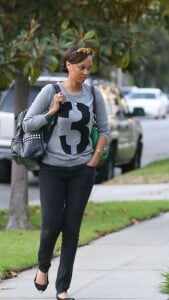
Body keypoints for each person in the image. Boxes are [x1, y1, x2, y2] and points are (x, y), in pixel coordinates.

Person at [23, 46, 109, 300]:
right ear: (68, 65)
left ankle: (62, 288)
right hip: (52, 169)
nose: (86, 73)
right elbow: (28, 122)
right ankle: (43, 267)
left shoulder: (93, 93)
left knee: (71, 229)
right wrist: (51, 111)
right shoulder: (51, 91)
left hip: (83, 170)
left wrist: (94, 159)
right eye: (81, 67)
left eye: (89, 68)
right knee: (51, 226)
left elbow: (104, 129)